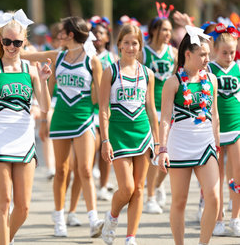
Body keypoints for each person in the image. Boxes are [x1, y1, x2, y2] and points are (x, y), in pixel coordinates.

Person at [0, 9, 51, 245]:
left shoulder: (31, 70)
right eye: (7, 41)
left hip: (24, 139)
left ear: (24, 41)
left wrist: (43, 83)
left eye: (17, 42)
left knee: (23, 207)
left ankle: (5, 239)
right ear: (0, 41)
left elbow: (44, 107)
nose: (12, 46)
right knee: (4, 202)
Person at [21, 16, 104, 238]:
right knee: (61, 171)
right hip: (60, 119)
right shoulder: (58, 57)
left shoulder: (92, 60)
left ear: (70, 34)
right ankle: (59, 216)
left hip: (84, 118)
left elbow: (98, 98)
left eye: (62, 33)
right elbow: (27, 56)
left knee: (85, 169)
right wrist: (8, 43)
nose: (58, 36)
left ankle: (94, 219)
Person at [158, 25, 220, 245]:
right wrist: (162, 149)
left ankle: (203, 243)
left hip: (206, 145)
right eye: (202, 55)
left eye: (208, 55)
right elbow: (165, 118)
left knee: (214, 198)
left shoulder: (211, 80)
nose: (207, 59)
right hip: (179, 146)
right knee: (179, 203)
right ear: (188, 54)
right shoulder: (172, 83)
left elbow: (214, 115)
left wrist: (217, 144)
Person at [99, 24, 159, 245]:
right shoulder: (110, 71)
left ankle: (130, 237)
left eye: (135, 43)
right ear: (119, 44)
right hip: (118, 134)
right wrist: (105, 140)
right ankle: (112, 216)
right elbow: (104, 109)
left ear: (140, 46)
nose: (130, 47)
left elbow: (151, 109)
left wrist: (158, 141)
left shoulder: (147, 73)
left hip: (142, 134)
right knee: (127, 188)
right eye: (126, 42)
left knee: (140, 188)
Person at [140, 12, 177, 214]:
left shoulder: (174, 53)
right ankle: (150, 197)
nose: (167, 33)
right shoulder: (143, 53)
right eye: (164, 29)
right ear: (154, 30)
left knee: (171, 155)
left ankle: (156, 185)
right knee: (155, 151)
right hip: (150, 108)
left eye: (170, 30)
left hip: (170, 109)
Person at [207, 23, 240, 237]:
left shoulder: (238, 68)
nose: (229, 56)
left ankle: (235, 218)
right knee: (215, 178)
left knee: (237, 176)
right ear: (215, 50)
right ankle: (218, 218)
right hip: (214, 130)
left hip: (236, 128)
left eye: (232, 52)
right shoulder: (208, 69)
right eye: (224, 52)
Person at [91, 19, 117, 202]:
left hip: (106, 110)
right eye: (95, 33)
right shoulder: (86, 56)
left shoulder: (113, 59)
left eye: (101, 33)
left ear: (107, 37)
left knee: (105, 146)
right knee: (91, 148)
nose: (98, 36)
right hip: (88, 109)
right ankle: (88, 181)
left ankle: (103, 185)